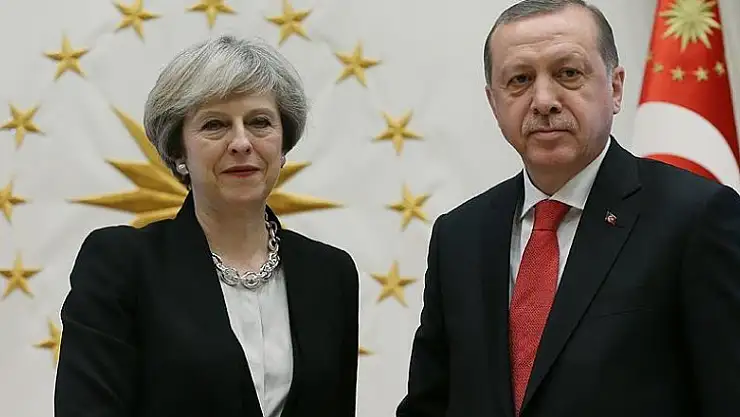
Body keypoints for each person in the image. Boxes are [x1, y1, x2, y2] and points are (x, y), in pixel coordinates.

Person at [397, 1, 740, 416]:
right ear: (493, 102)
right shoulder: (459, 235)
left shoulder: (695, 217)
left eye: (568, 73)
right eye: (520, 80)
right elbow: (430, 404)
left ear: (615, 88)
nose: (544, 101)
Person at [54, 35, 359, 417]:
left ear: (283, 146)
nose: (241, 142)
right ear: (178, 151)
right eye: (215, 125)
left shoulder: (331, 274)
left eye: (260, 122)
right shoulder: (121, 266)